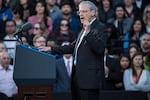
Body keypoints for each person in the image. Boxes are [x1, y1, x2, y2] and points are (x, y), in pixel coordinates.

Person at [39, 1, 107, 100]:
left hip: (89, 80)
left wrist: (88, 32)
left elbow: (100, 49)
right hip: (77, 78)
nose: (81, 14)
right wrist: (51, 48)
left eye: (84, 11)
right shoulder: (84, 28)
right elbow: (73, 47)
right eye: (80, 12)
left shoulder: (100, 27)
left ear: (93, 12)